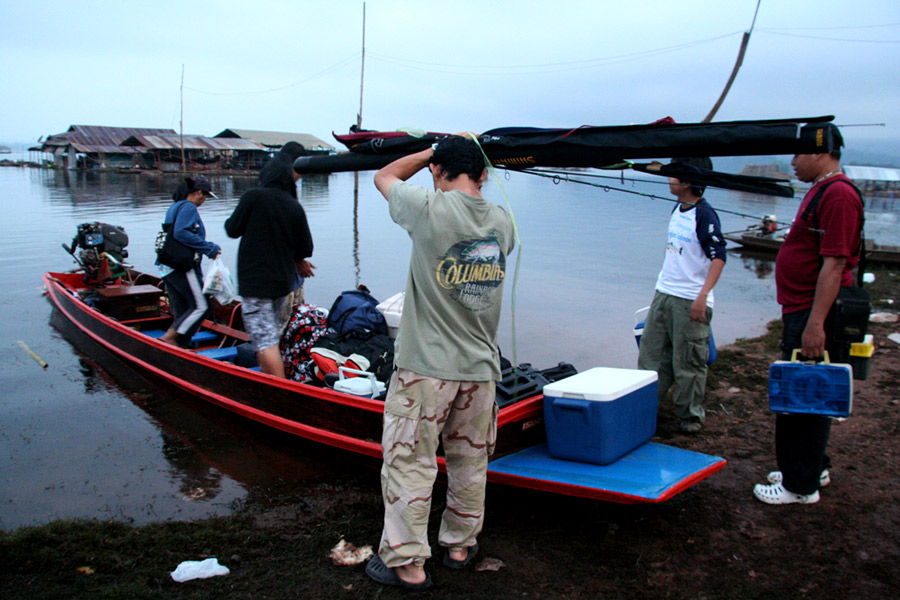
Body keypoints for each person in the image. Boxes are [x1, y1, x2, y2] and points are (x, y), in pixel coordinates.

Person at [365, 135, 515, 591]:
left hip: (426, 370)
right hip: (481, 371)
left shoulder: (428, 209)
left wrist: (430, 152)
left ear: (436, 171)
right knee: (470, 461)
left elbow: (384, 176)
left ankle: (408, 564)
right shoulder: (504, 224)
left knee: (410, 462)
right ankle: (459, 545)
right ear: (484, 174)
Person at [753, 124, 862, 505]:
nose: (793, 162)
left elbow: (834, 264)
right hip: (803, 309)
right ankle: (811, 466)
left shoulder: (839, 195)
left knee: (802, 397)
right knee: (812, 393)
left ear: (820, 153)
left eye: (798, 155)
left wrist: (815, 325)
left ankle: (799, 487)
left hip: (815, 314)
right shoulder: (822, 190)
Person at [637, 157, 726, 433]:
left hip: (690, 300)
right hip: (664, 293)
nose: (669, 179)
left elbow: (719, 258)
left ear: (687, 181)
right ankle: (645, 409)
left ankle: (690, 418)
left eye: (674, 175)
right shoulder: (679, 208)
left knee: (688, 362)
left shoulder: (705, 215)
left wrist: (702, 296)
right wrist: (655, 164)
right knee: (651, 357)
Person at [224, 142, 315, 378]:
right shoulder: (293, 206)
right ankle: (267, 379)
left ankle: (282, 394)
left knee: (265, 341)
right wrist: (299, 260)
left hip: (256, 282)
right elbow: (306, 247)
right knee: (269, 335)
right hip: (281, 283)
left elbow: (232, 229)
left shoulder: (254, 197)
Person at [157, 175, 221, 348]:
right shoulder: (189, 207)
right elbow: (181, 233)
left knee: (184, 308)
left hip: (167, 266)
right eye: (206, 196)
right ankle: (170, 338)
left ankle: (180, 345)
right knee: (202, 306)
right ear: (199, 192)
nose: (205, 200)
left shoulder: (174, 207)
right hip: (182, 266)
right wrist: (209, 248)